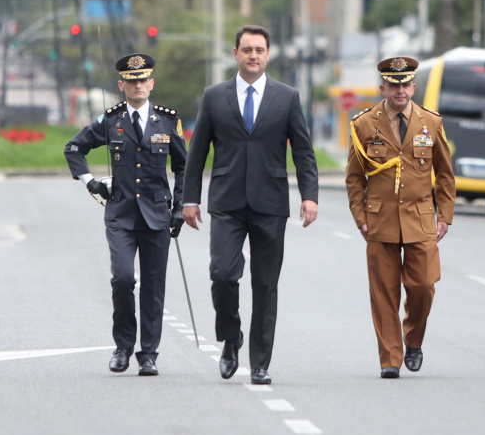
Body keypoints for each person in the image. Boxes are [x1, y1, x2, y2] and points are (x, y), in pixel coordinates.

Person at [182, 25, 319, 385]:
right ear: (236, 54)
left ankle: (260, 362)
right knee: (223, 274)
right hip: (226, 201)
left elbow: (303, 151)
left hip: (270, 203)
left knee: (265, 284)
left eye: (259, 50)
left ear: (268, 54)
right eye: (247, 50)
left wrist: (309, 195)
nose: (253, 55)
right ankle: (231, 336)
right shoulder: (214, 96)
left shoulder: (287, 97)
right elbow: (197, 155)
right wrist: (189, 198)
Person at [64, 53, 187, 376]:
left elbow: (183, 166)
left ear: (152, 83)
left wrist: (179, 207)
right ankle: (123, 346)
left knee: (153, 286)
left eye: (143, 80)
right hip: (120, 214)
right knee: (122, 278)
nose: (138, 86)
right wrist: (90, 182)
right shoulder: (111, 120)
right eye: (131, 81)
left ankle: (148, 354)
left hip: (157, 216)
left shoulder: (167, 121)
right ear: (122, 85)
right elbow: (74, 148)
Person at [345, 56, 456, 379]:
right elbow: (354, 177)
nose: (400, 91)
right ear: (383, 87)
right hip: (379, 221)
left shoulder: (430, 123)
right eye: (394, 85)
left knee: (423, 285)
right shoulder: (364, 124)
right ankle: (390, 359)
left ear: (413, 86)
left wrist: (444, 215)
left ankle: (413, 339)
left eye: (405, 84)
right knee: (384, 293)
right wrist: (360, 215)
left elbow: (445, 175)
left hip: (421, 219)